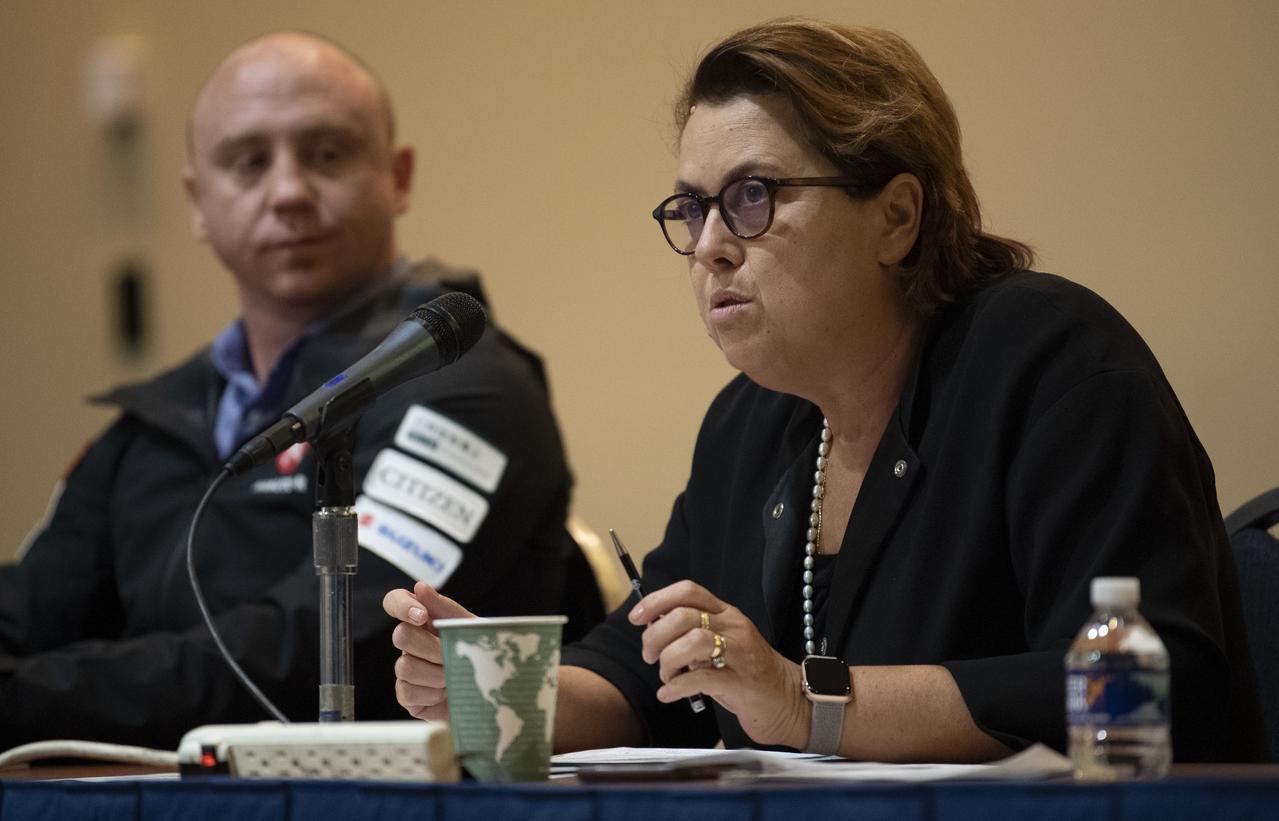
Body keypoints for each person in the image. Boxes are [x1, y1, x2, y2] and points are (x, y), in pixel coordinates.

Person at [385, 18, 1267, 762]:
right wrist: (496, 687)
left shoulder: (1048, 364)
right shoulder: (749, 420)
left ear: (896, 216)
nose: (710, 245)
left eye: (753, 196)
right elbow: (648, 672)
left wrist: (805, 702)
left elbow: (1143, 689)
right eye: (691, 208)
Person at [0, 32, 600, 751]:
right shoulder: (157, 419)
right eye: (249, 162)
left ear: (398, 177)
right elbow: (30, 610)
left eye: (327, 153)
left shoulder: (466, 388)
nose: (288, 192)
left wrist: (27, 698)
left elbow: (328, 643)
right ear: (197, 201)